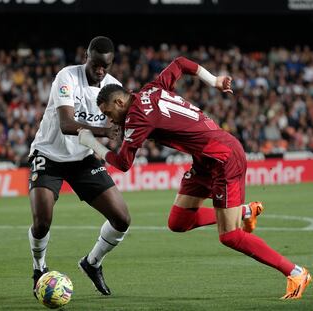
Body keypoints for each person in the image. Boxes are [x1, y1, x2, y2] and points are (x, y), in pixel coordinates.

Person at [78, 56, 311, 299]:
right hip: (204, 159)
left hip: (223, 158)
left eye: (108, 112)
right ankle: (245, 212)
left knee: (230, 235)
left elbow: (124, 163)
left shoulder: (137, 117)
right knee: (178, 222)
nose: (109, 118)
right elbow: (179, 63)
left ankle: (295, 272)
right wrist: (215, 80)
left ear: (118, 101)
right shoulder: (151, 89)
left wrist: (92, 143)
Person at [27, 36, 130, 297]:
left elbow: (123, 122)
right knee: (42, 222)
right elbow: (66, 124)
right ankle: (39, 268)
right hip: (49, 155)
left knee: (121, 219)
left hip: (83, 159)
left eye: (105, 66)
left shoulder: (113, 86)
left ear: (111, 63)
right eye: (95, 64)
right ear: (87, 56)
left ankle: (92, 263)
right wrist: (105, 131)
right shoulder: (67, 77)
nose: (100, 70)